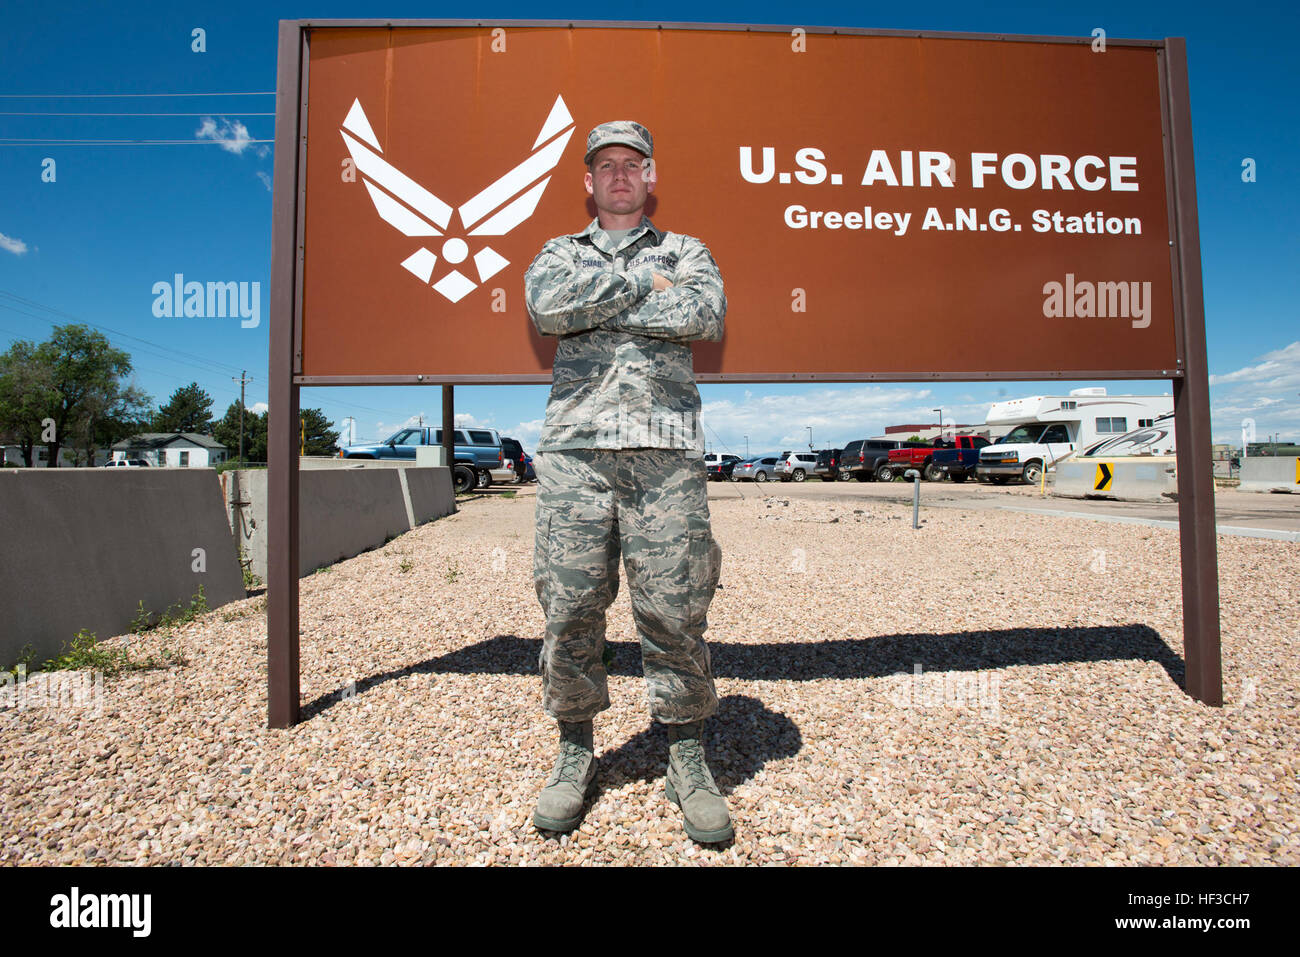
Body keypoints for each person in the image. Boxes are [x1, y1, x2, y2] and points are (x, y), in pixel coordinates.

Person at [523, 120, 730, 843]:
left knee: (675, 609)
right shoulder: (558, 253)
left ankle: (685, 755)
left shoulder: (689, 251)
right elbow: (548, 308)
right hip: (577, 457)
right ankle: (575, 750)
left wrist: (601, 297)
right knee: (571, 606)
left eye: (631, 164)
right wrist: (644, 283)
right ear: (588, 180)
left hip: (665, 457)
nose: (617, 174)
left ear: (650, 176)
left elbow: (703, 314)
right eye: (604, 164)